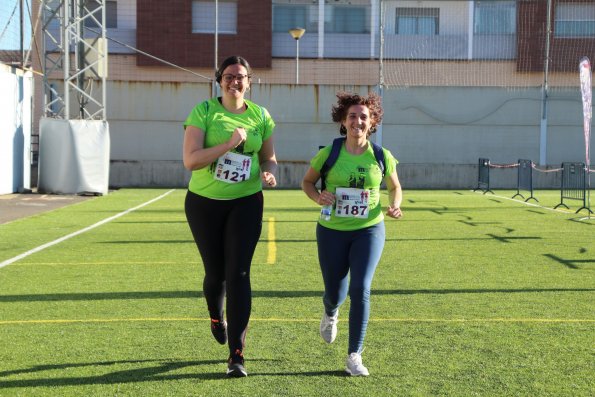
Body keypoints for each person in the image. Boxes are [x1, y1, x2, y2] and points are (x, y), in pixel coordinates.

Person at [183, 55, 277, 377]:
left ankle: (236, 354)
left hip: (246, 201)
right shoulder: (204, 111)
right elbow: (191, 161)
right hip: (204, 203)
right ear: (219, 80)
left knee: (238, 274)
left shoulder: (261, 116)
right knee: (216, 275)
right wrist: (228, 144)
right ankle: (215, 314)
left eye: (241, 77)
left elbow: (269, 157)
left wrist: (268, 173)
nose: (235, 81)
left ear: (250, 82)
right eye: (229, 76)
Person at [301, 92, 403, 376]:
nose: (358, 121)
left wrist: (394, 205)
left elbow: (395, 187)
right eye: (352, 116)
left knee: (361, 287)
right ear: (343, 122)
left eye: (364, 117)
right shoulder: (329, 153)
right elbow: (307, 182)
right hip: (331, 231)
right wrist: (318, 196)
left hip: (369, 229)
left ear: (372, 123)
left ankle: (354, 355)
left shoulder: (381, 156)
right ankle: (331, 311)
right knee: (335, 291)